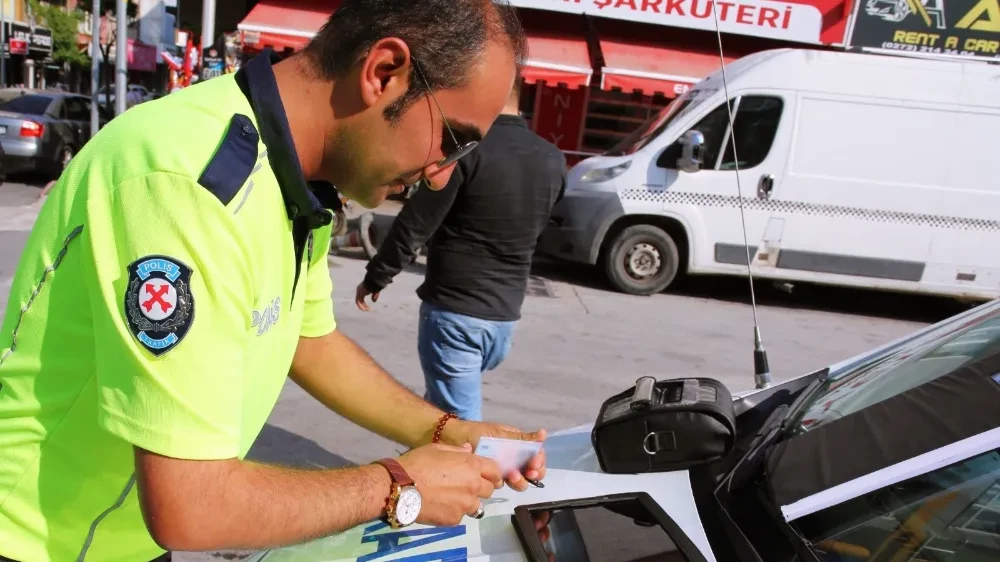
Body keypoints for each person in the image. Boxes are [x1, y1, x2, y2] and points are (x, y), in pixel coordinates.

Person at [0, 2, 548, 561]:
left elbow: (308, 341)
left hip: (119, 541)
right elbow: (193, 506)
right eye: (452, 141)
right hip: (32, 543)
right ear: (384, 72)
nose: (442, 176)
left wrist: (449, 432)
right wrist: (398, 485)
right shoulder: (187, 179)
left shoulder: (292, 174)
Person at [355, 76, 567, 421]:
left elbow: (416, 223)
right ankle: (423, 466)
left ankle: (474, 472)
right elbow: (546, 224)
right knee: (441, 411)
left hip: (457, 316)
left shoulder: (466, 152)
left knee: (460, 430)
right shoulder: (553, 159)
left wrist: (377, 277)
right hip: (504, 319)